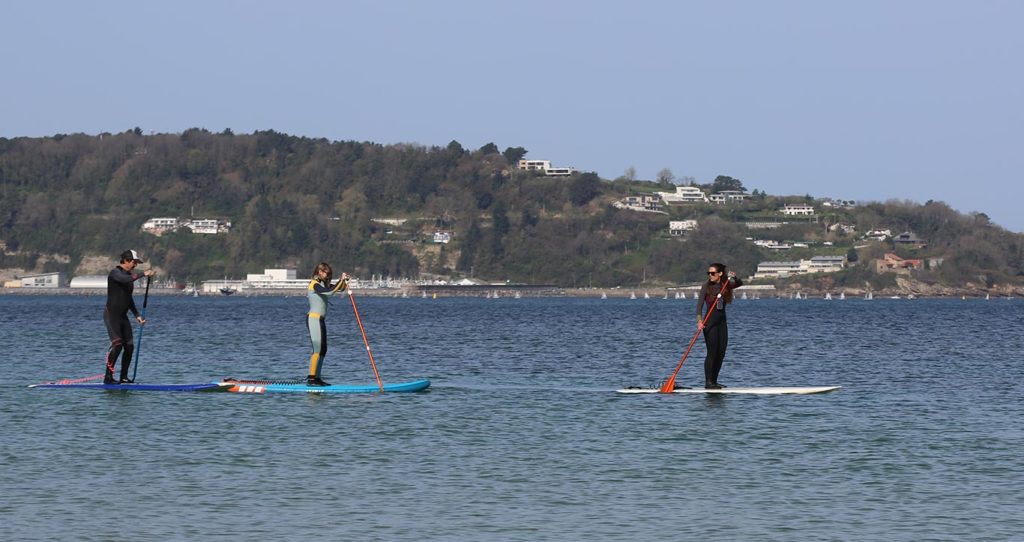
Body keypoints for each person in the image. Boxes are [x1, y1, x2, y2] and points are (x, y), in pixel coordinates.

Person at [103, 250, 155, 384]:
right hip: (112, 316)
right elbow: (123, 279)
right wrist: (143, 274)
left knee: (129, 347)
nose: (135, 265)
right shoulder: (115, 273)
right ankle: (108, 378)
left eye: (137, 263)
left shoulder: (129, 276)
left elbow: (128, 298)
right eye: (134, 262)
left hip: (123, 316)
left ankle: (124, 377)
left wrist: (137, 315)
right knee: (118, 345)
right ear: (126, 261)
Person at [696, 263, 743, 389]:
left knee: (721, 353)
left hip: (722, 323)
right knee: (712, 353)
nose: (710, 275)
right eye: (708, 273)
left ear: (720, 274)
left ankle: (714, 381)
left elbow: (739, 283)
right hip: (709, 322)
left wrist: (734, 277)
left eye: (712, 273)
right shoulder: (706, 286)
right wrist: (699, 321)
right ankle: (708, 382)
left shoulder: (726, 284)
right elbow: (699, 305)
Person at [306, 262, 350, 386]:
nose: (328, 275)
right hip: (314, 319)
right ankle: (311, 378)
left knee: (323, 350)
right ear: (319, 272)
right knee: (317, 349)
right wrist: (340, 280)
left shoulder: (322, 284)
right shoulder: (314, 285)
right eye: (327, 273)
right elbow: (330, 292)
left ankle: (317, 378)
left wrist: (344, 281)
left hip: (320, 320)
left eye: (329, 273)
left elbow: (338, 288)